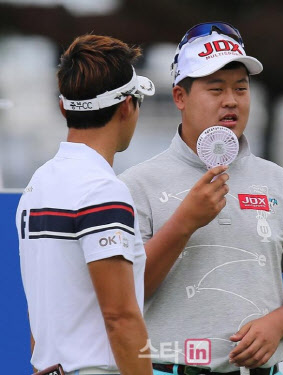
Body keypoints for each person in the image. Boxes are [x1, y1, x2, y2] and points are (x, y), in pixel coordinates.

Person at [119, 22, 283, 375]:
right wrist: (184, 223)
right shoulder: (136, 184)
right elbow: (125, 296)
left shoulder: (281, 183)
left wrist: (277, 324)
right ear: (180, 97)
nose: (231, 100)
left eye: (241, 89)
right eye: (215, 89)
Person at [16, 34, 155, 375]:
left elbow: (43, 316)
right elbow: (120, 317)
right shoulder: (102, 190)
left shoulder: (37, 186)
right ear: (127, 106)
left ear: (64, 107)